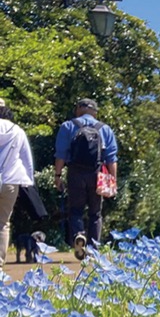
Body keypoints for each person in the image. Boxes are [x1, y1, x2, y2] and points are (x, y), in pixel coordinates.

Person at [54, 97, 117, 260]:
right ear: (94, 112)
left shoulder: (68, 126)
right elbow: (111, 158)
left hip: (75, 173)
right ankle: (93, 247)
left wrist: (58, 175)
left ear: (78, 109)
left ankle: (78, 234)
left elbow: (60, 154)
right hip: (98, 174)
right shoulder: (105, 129)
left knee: (75, 210)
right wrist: (112, 181)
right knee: (95, 213)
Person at [0, 98, 36, 268]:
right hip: (10, 181)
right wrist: (29, 182)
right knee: (3, 222)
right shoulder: (18, 130)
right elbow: (26, 158)